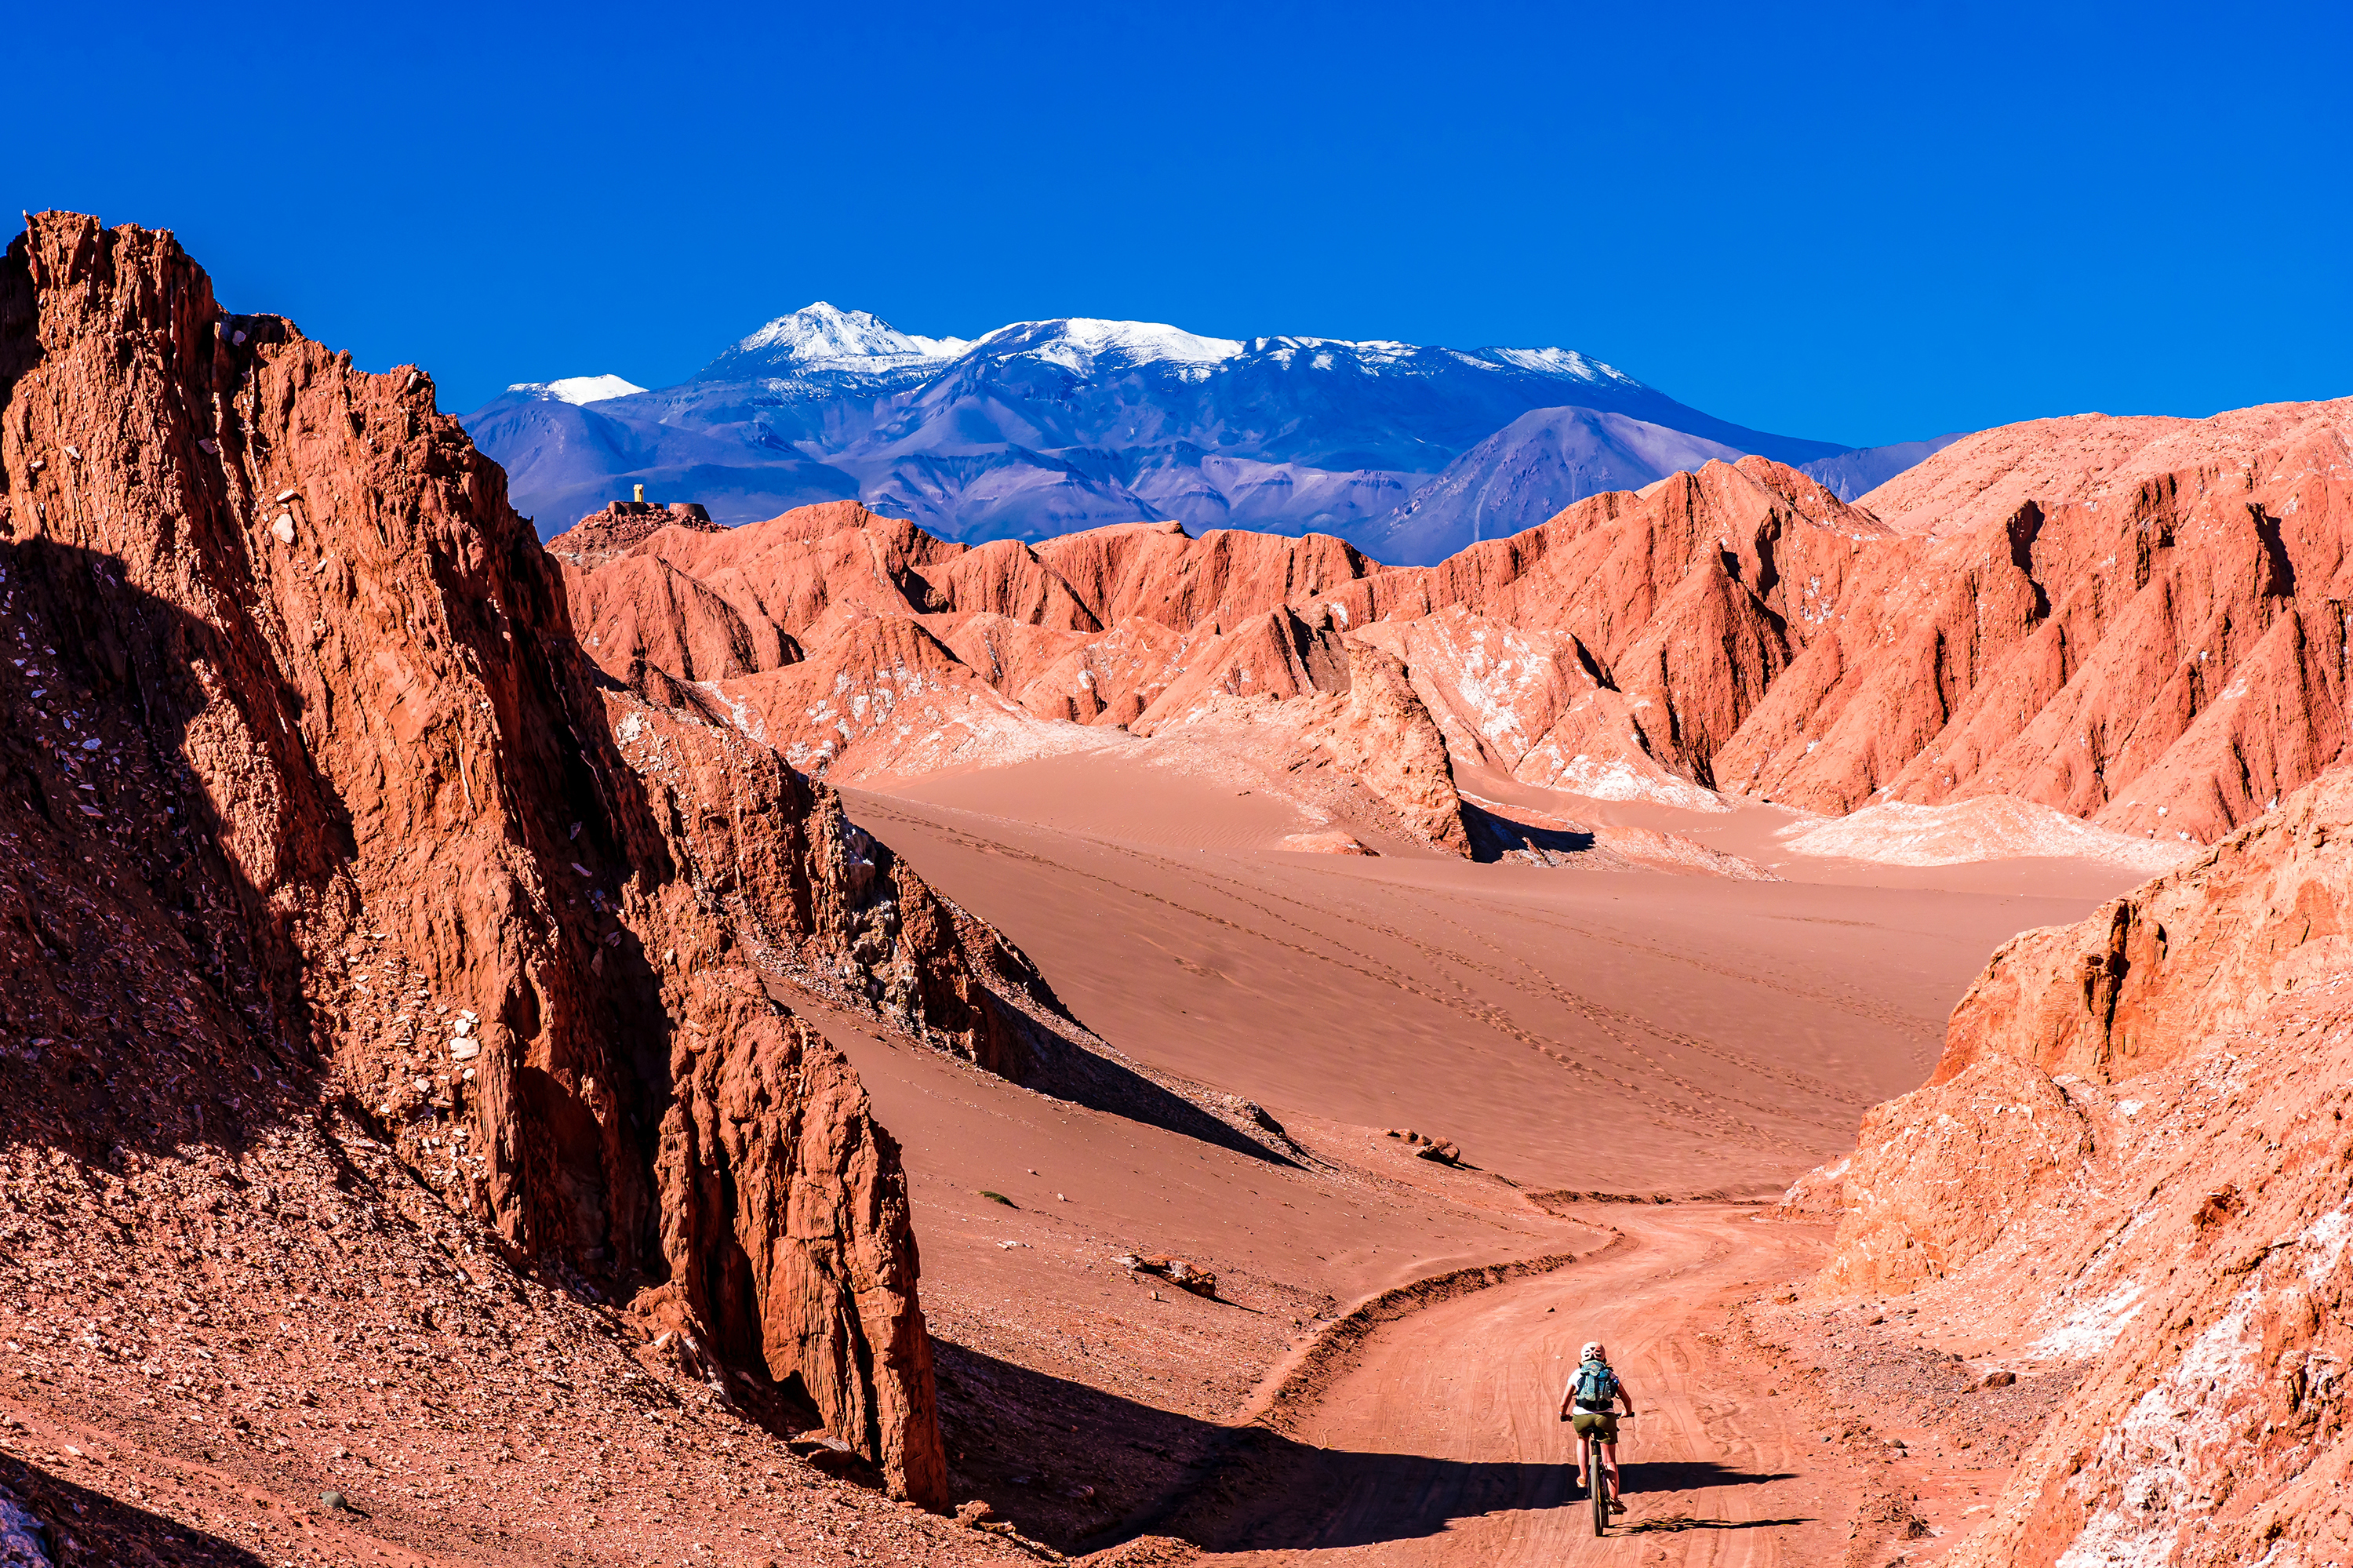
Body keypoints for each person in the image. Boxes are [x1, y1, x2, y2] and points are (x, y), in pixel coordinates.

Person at [1559, 1340, 1637, 1513]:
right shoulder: (1610, 1375)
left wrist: (1564, 1415)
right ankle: (1614, 1500)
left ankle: (1583, 1475)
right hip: (1606, 1418)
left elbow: (1564, 1402)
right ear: (1604, 1357)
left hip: (1581, 1417)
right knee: (1609, 1460)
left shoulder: (1578, 1373)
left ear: (1582, 1358)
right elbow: (1627, 1400)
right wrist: (1627, 1412)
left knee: (1582, 1439)